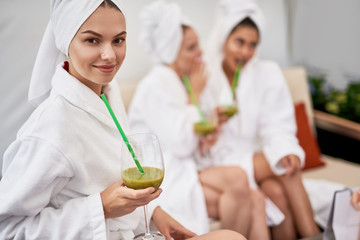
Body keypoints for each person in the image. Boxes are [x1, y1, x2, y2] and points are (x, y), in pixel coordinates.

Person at [0, 1, 245, 240]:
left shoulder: (106, 97)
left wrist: (152, 215)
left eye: (118, 40)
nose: (109, 55)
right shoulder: (50, 128)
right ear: (66, 42)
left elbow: (110, 185)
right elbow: (7, 229)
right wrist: (101, 208)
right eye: (92, 40)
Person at [128, 1, 268, 239]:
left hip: (189, 168)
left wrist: (209, 135)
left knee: (256, 197)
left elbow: (191, 139)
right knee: (238, 177)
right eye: (192, 47)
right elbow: (181, 144)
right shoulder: (155, 85)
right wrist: (196, 99)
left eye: (198, 45)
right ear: (172, 51)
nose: (201, 53)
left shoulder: (183, 82)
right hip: (168, 176)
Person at [202, 0, 322, 239]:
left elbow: (277, 124)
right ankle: (312, 234)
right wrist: (213, 122)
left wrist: (286, 149)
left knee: (277, 190)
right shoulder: (205, 76)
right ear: (225, 38)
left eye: (252, 45)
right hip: (219, 163)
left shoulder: (267, 73)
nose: (245, 52)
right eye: (239, 42)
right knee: (281, 164)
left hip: (252, 155)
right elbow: (193, 127)